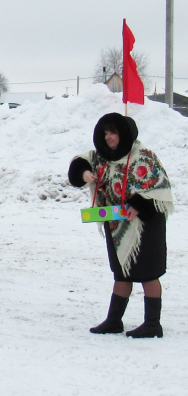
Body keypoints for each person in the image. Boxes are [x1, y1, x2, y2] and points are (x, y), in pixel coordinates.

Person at [68, 113, 174, 338]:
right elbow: (79, 162)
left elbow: (161, 187)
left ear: (123, 134)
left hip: (146, 224)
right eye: (105, 132)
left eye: (113, 132)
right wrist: (84, 172)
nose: (108, 137)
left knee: (148, 274)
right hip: (117, 223)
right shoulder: (102, 157)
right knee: (121, 274)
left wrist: (139, 204)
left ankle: (153, 324)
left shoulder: (144, 157)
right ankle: (114, 321)